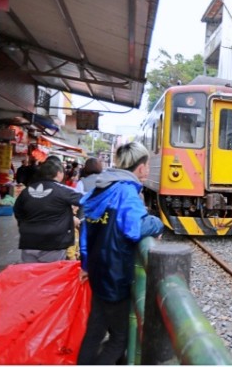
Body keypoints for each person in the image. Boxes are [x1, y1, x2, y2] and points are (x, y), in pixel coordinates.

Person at [77, 142, 164, 365]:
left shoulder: (103, 187)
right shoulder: (126, 190)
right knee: (120, 338)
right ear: (141, 167)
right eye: (147, 165)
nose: (148, 170)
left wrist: (85, 265)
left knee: (95, 331)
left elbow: (86, 232)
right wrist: (156, 223)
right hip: (116, 275)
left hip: (98, 271)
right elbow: (135, 229)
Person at [14, 160, 83, 263]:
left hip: (28, 241)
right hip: (54, 243)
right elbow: (85, 200)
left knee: (30, 275)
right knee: (51, 276)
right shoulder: (62, 190)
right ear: (59, 173)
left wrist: (25, 226)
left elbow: (18, 212)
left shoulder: (26, 191)